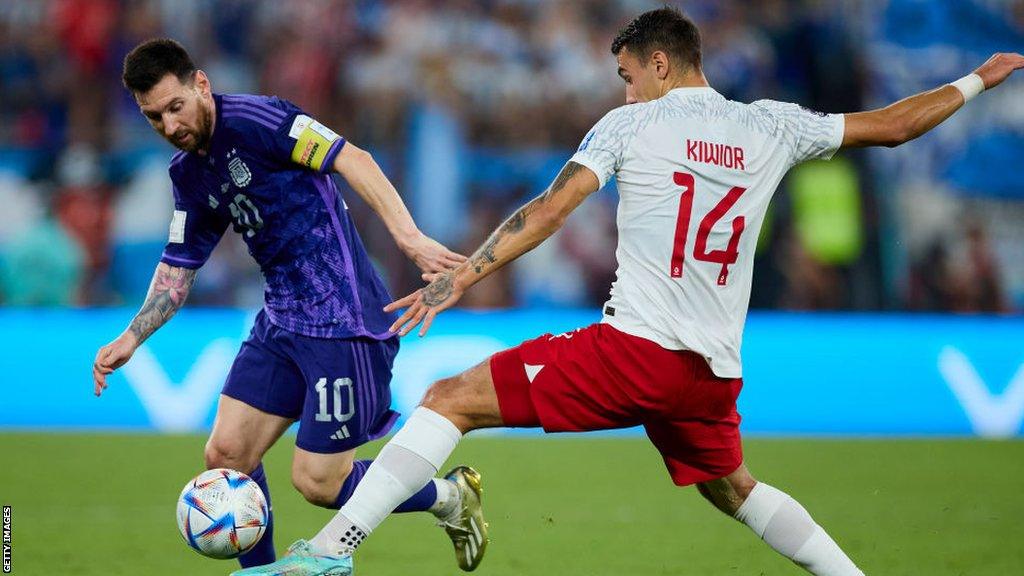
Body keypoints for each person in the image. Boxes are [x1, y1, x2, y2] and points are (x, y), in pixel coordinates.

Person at [233, 7, 1024, 576]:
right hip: (710, 372)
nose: (622, 92)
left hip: (636, 351)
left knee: (449, 398)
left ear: (660, 64)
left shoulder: (632, 128)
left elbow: (549, 209)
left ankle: (332, 553)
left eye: (625, 76)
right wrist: (977, 79)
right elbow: (892, 124)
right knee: (733, 490)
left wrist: (462, 275)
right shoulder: (773, 125)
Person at [91, 38, 489, 572]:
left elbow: (353, 157)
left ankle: (448, 497)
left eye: (175, 107)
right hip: (280, 322)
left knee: (319, 484)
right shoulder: (188, 174)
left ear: (201, 84)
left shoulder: (261, 120)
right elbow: (178, 271)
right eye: (153, 117)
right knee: (225, 456)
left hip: (343, 323)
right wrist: (131, 337)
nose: (169, 125)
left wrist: (409, 237)